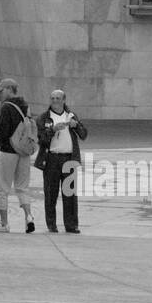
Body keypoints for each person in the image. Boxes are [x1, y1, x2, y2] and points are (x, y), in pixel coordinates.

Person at [37, 88, 87, 234]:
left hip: (69, 159)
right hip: (52, 158)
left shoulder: (71, 116)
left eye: (58, 98)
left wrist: (76, 125)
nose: (55, 101)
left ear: (64, 100)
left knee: (70, 194)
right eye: (52, 98)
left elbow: (84, 135)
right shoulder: (44, 118)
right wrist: (52, 130)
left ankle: (71, 225)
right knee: (51, 193)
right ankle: (51, 224)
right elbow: (41, 140)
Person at [0, 78, 34, 233]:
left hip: (8, 151)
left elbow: (3, 133)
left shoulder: (7, 107)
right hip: (24, 151)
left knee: (2, 188)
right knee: (22, 187)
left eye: (1, 91)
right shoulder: (25, 106)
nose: (0, 95)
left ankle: (4, 223)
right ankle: (29, 216)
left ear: (9, 89)